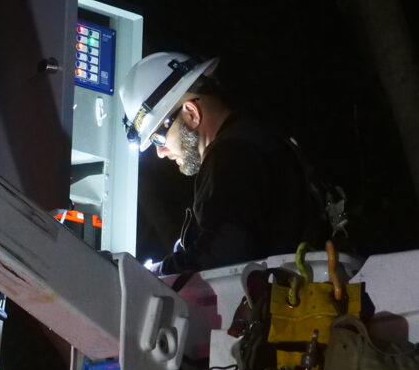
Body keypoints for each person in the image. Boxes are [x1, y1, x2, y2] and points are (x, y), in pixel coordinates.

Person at [119, 53, 329, 274]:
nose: (160, 153)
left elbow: (223, 254)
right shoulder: (251, 139)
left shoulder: (232, 156)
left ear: (191, 113)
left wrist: (156, 273)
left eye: (158, 138)